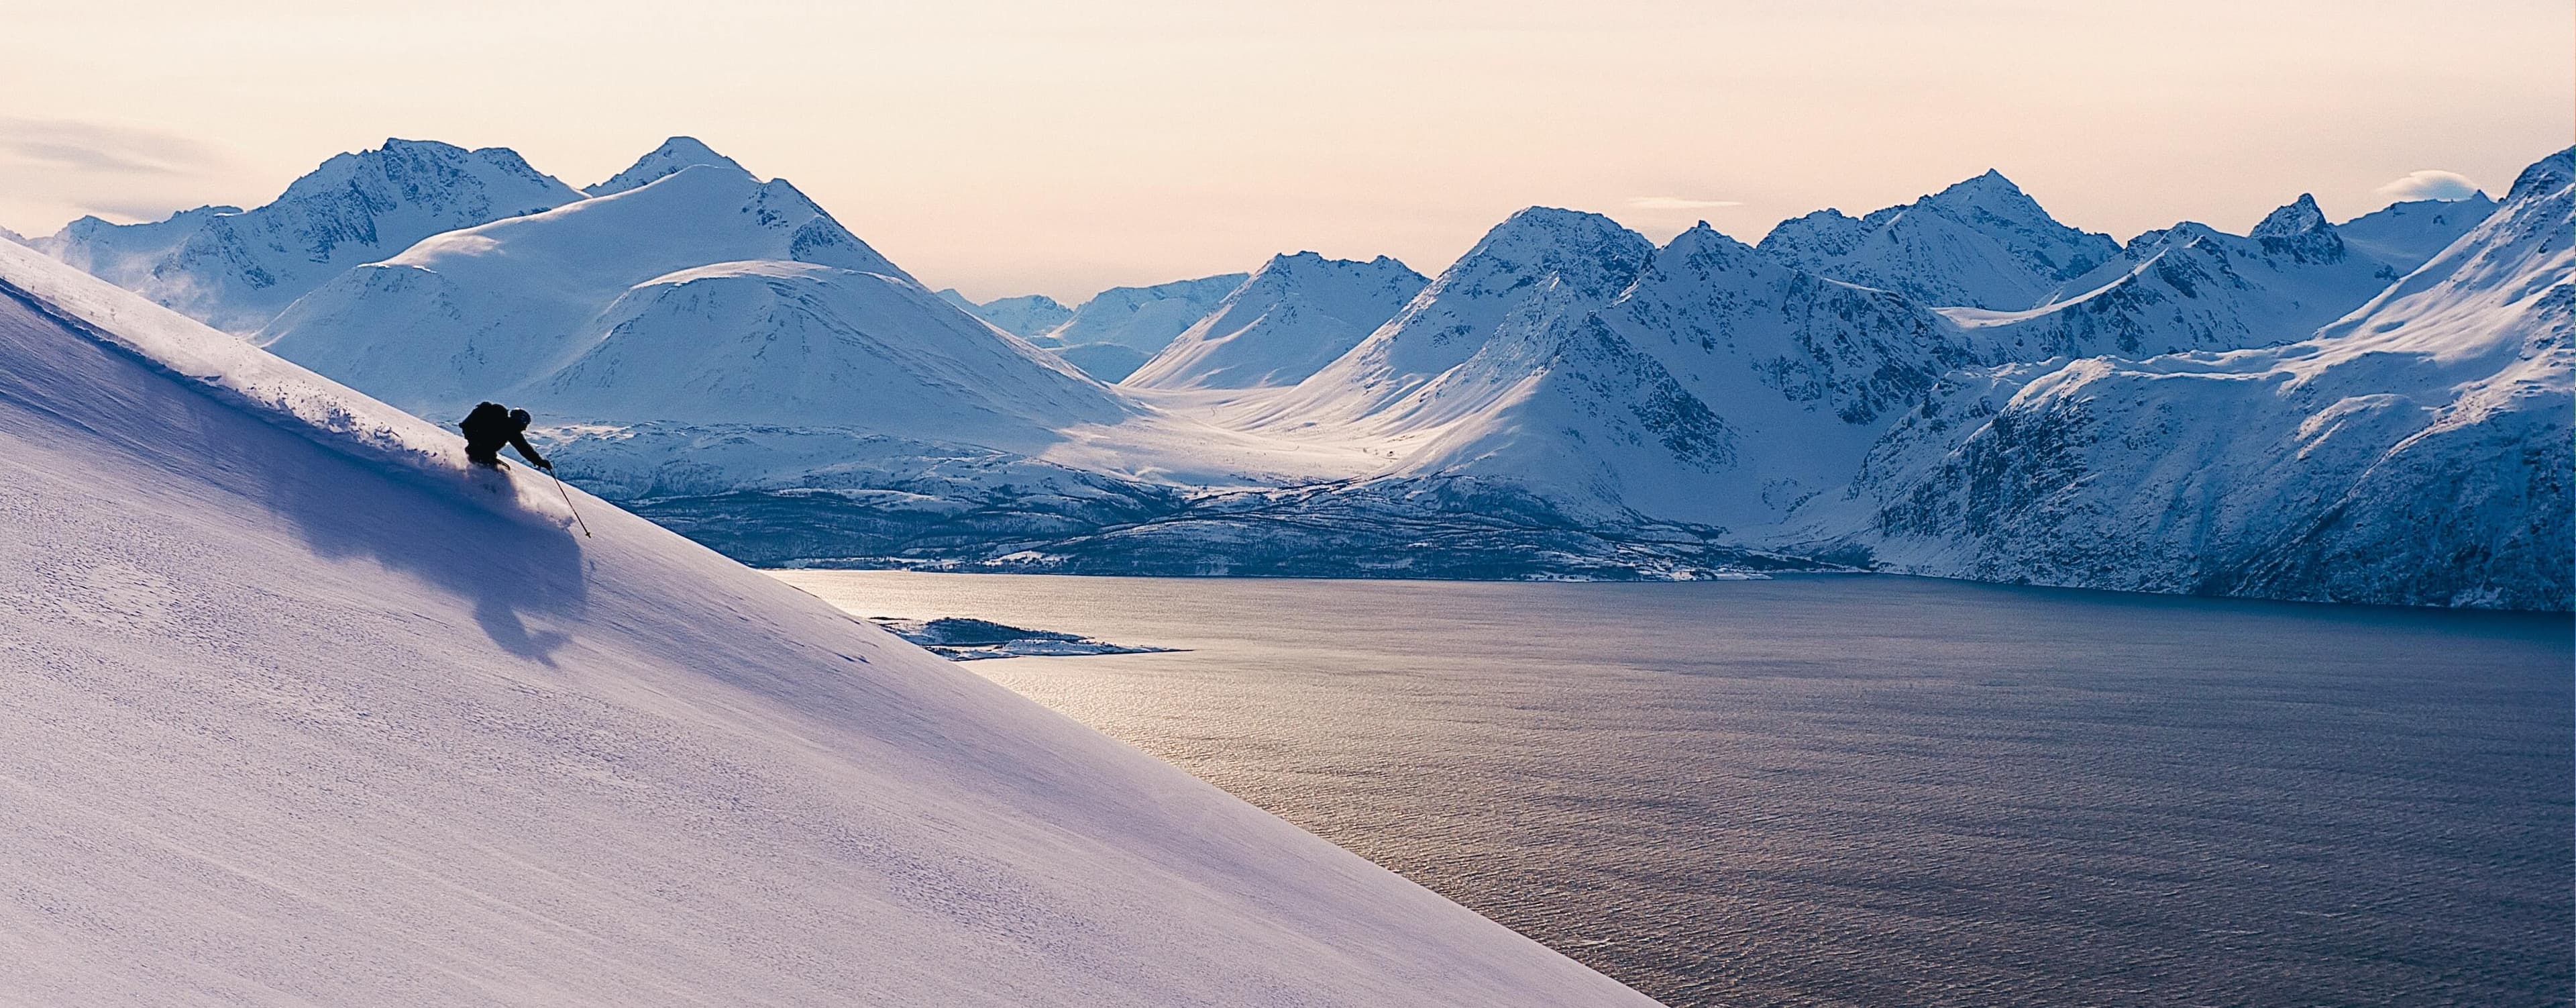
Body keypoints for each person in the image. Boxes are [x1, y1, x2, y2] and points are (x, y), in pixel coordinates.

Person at [459, 401, 553, 470]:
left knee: (494, 470)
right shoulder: (511, 430)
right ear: (520, 421)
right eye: (525, 424)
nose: (525, 428)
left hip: (477, 451)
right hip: (482, 455)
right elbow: (524, 448)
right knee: (496, 475)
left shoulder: (503, 423)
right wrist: (539, 461)